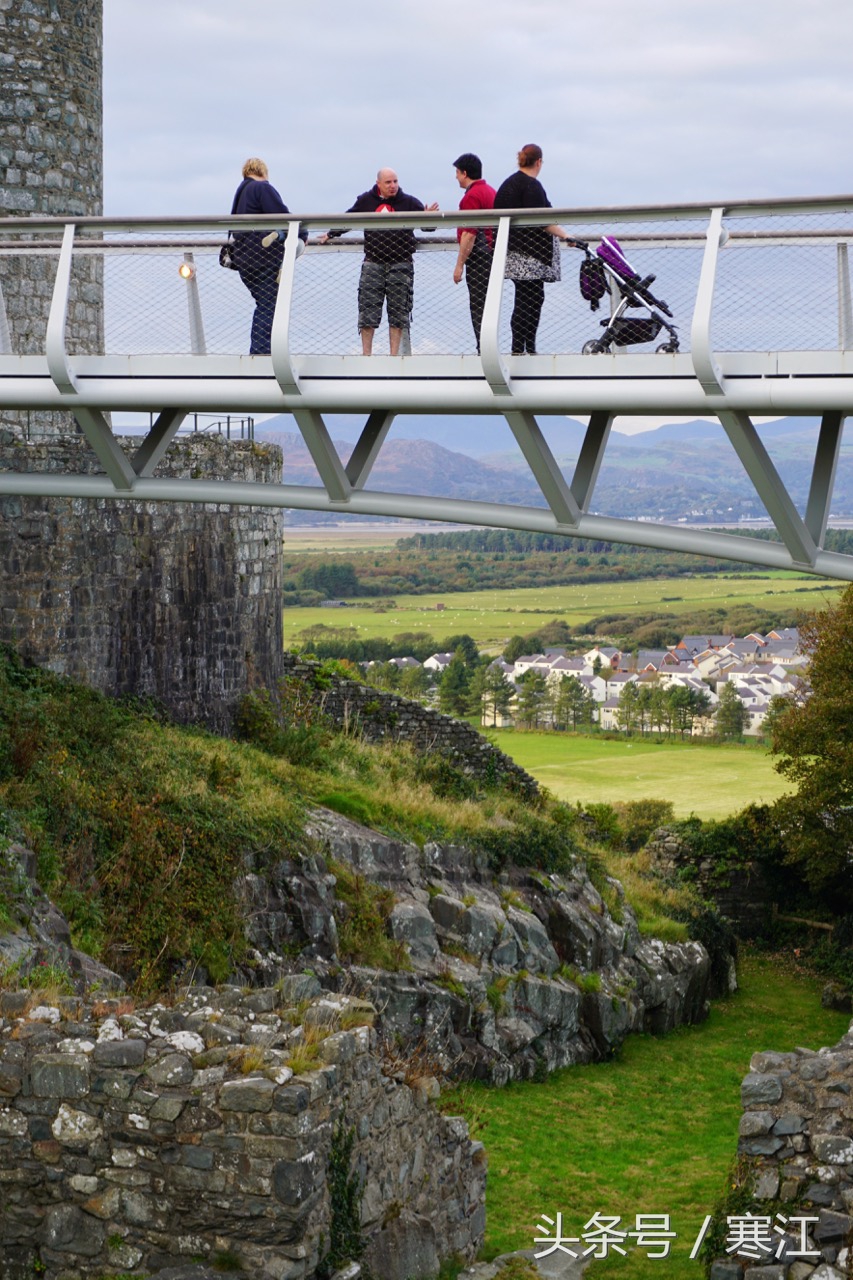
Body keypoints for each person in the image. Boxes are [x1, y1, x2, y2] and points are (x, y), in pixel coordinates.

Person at [320, 169, 439, 355]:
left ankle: (393, 357)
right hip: (373, 262)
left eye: (395, 181)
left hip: (401, 263)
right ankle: (366, 356)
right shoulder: (366, 200)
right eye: (388, 182)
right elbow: (349, 218)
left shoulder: (409, 202)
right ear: (378, 184)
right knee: (367, 311)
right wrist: (330, 234)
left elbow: (428, 227)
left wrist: (429, 216)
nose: (393, 186)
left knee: (398, 313)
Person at [493, 144, 574, 356]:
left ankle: (520, 348)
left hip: (512, 251)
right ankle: (525, 348)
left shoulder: (508, 184)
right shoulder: (531, 186)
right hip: (531, 254)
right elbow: (542, 221)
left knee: (524, 299)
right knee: (531, 301)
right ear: (538, 162)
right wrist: (566, 235)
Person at [229, 158, 307, 355]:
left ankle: (260, 351)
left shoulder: (241, 193)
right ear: (263, 172)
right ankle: (261, 352)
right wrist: (303, 235)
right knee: (269, 305)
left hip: (243, 258)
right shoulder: (262, 188)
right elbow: (282, 215)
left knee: (263, 303)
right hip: (263, 257)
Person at [451, 153, 496, 353]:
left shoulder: (471, 197)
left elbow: (469, 233)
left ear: (465, 173)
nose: (456, 177)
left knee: (478, 305)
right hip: (493, 254)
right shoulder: (490, 192)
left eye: (457, 173)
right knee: (489, 305)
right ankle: (488, 347)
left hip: (479, 257)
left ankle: (483, 349)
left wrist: (459, 264)